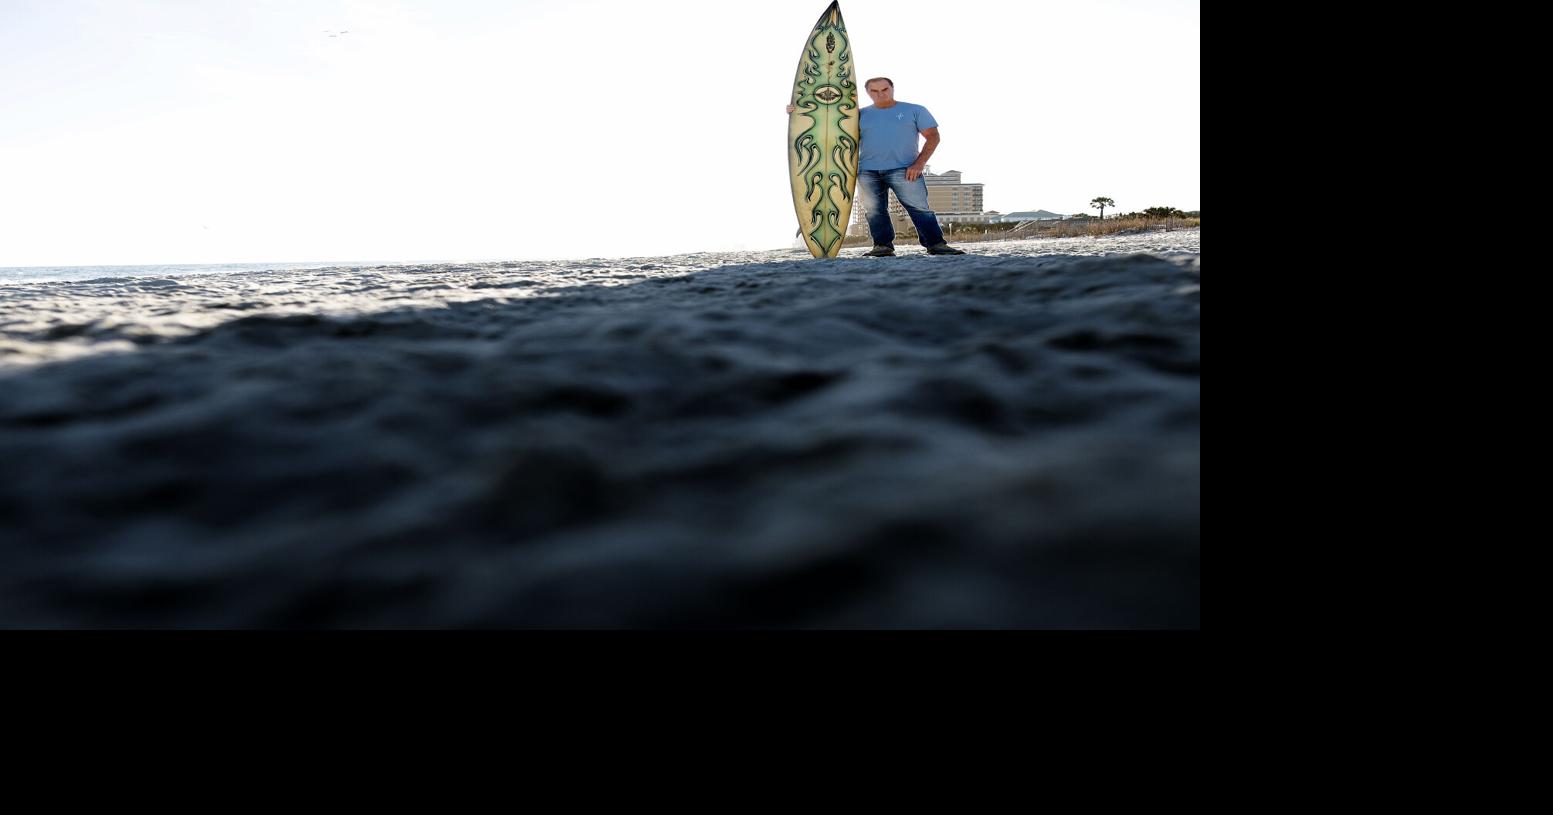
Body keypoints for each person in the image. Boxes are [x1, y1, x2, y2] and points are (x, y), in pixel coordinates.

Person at [788, 77, 965, 256]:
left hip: (904, 169)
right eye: (874, 91)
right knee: (873, 211)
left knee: (919, 208)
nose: (881, 94)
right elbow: (828, 125)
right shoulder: (858, 115)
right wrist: (798, 112)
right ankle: (882, 246)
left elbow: (933, 137)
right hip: (867, 171)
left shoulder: (914, 110)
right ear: (867, 93)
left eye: (885, 89)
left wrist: (919, 163)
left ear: (892, 88)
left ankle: (936, 244)